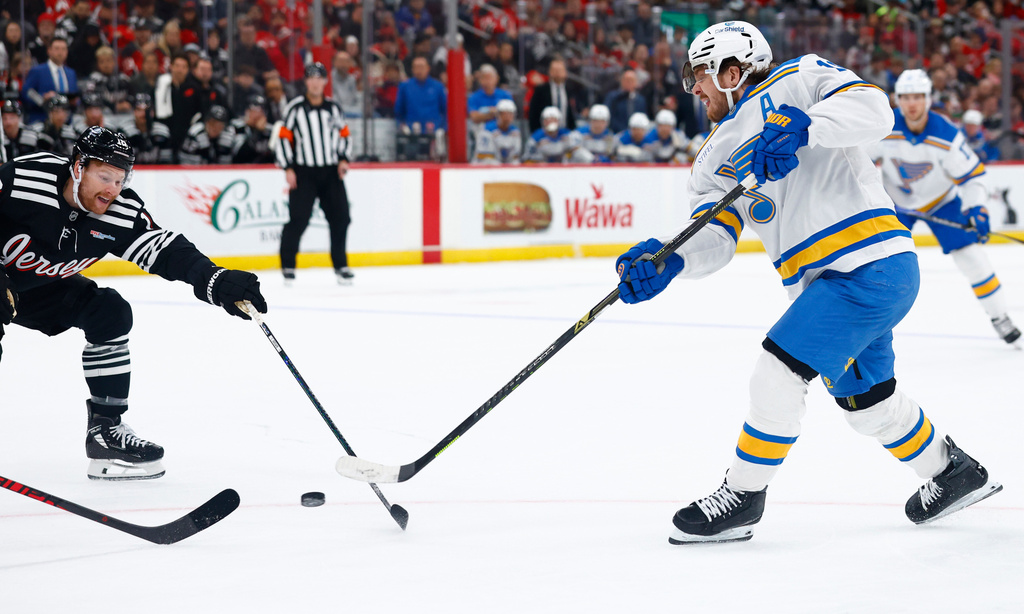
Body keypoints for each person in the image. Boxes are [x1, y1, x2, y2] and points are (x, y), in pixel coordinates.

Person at [614, 21, 1002, 544]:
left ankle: (743, 496)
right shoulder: (711, 159)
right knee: (867, 404)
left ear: (731, 71)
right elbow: (718, 235)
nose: (694, 88)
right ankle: (951, 472)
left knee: (776, 373)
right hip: (828, 286)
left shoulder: (801, 78)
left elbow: (874, 110)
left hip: (870, 266)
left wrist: (805, 127)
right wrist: (669, 258)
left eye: (699, 75)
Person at [0, 126, 267, 480]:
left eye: (120, 179)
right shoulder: (25, 178)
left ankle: (105, 432)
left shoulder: (119, 210)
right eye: (105, 176)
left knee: (109, 312)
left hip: (40, 289)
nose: (112, 188)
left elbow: (164, 249)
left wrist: (214, 279)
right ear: (78, 166)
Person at [870, 70, 1021, 347]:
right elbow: (857, 161)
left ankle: (1000, 317)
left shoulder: (948, 135)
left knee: (973, 259)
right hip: (897, 206)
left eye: (918, 97)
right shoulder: (883, 127)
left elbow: (974, 177)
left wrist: (977, 208)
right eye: (905, 97)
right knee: (875, 265)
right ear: (897, 100)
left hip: (942, 202)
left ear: (928, 99)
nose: (912, 103)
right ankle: (867, 326)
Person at [274, 63, 354, 286]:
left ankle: (341, 265)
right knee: (298, 219)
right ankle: (288, 265)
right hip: (304, 172)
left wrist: (343, 158)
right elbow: (282, 138)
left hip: (330, 172)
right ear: (306, 82)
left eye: (320, 78)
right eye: (311, 78)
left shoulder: (334, 108)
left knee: (341, 218)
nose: (316, 82)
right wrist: (288, 167)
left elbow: (344, 134)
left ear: (325, 81)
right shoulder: (295, 108)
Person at [21, 37, 78, 124]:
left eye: (63, 49)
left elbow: (75, 96)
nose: (60, 52)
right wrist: (42, 99)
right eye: (57, 49)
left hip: (66, 122)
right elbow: (26, 92)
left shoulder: (71, 73)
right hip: (42, 119)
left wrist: (75, 101)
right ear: (49, 51)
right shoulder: (37, 71)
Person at [394, 56, 447, 133]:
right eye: (416, 67)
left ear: (428, 68)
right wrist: (403, 127)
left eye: (421, 67)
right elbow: (399, 110)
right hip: (411, 131)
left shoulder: (438, 86)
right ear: (412, 69)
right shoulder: (405, 86)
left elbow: (445, 109)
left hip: (433, 130)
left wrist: (443, 128)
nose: (419, 70)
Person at [528, 58, 577, 133]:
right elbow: (533, 114)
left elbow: (571, 115)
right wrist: (536, 134)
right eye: (554, 70)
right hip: (545, 134)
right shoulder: (541, 90)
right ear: (549, 72)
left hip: (564, 134)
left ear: (565, 72)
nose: (557, 73)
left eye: (560, 70)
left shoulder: (570, 90)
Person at [524, 106, 589, 163]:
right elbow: (527, 158)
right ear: (543, 122)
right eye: (548, 120)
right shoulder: (536, 137)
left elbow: (578, 150)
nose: (551, 123)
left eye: (554, 120)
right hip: (543, 168)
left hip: (564, 168)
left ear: (559, 121)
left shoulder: (568, 134)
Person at [473, 99, 521, 164]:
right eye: (503, 114)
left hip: (503, 169)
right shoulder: (486, 130)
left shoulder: (516, 132)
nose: (507, 117)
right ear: (498, 115)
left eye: (510, 114)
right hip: (484, 169)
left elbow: (514, 157)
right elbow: (486, 159)